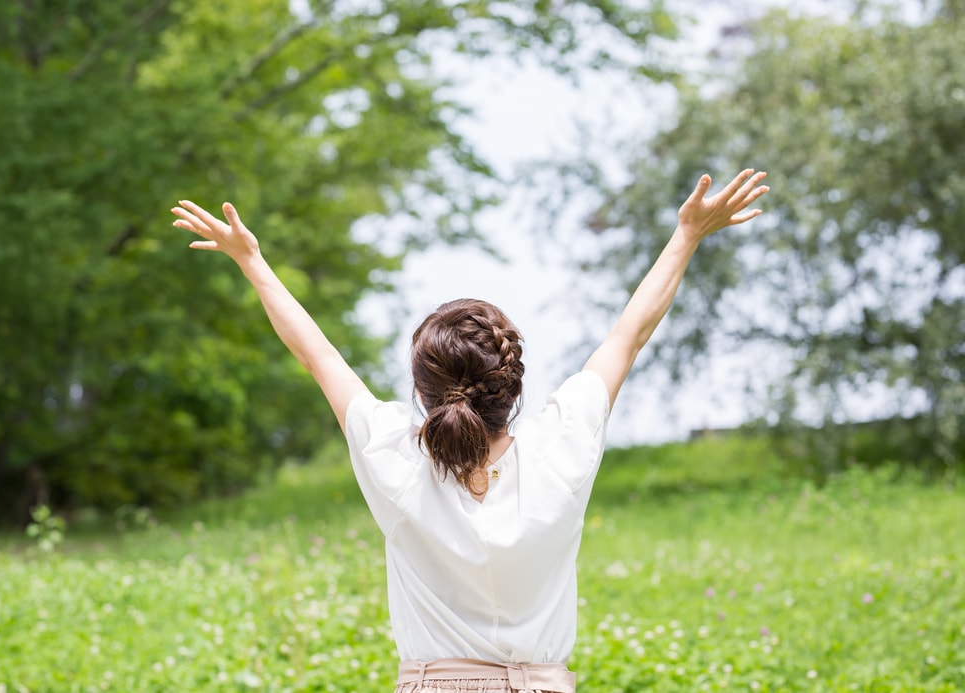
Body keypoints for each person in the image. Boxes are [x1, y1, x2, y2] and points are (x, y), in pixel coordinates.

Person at [171, 168, 769, 692]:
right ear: (512, 382)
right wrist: (686, 236)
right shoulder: (560, 448)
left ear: (422, 389)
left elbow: (318, 356)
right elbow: (627, 336)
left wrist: (251, 260)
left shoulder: (395, 459)